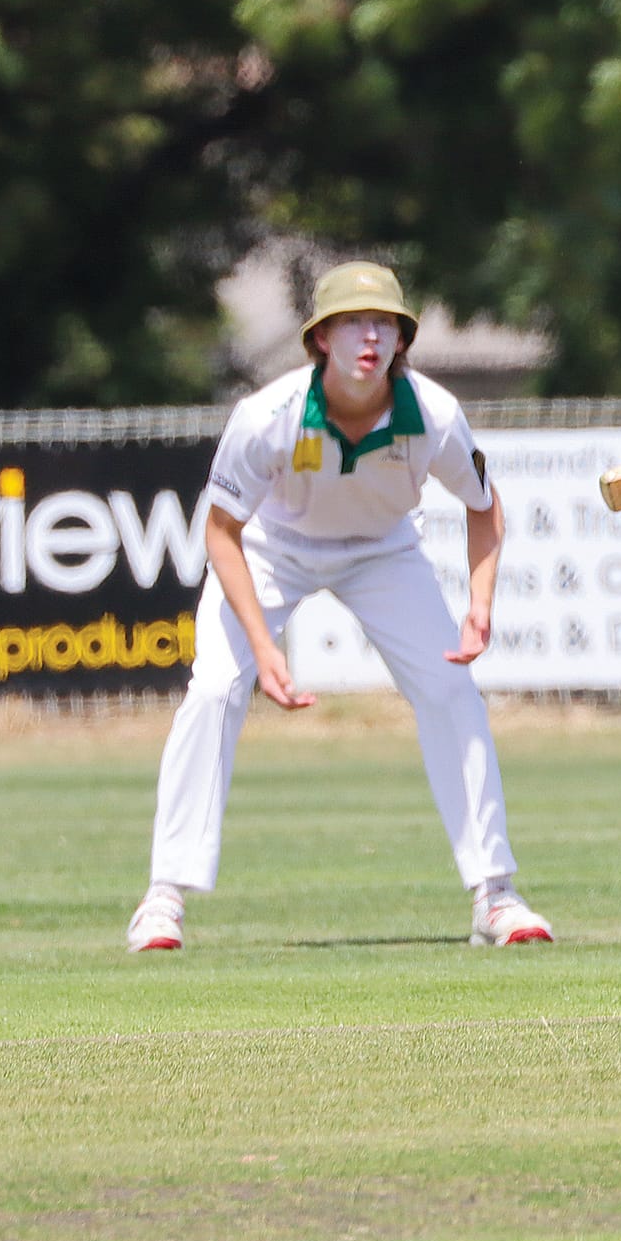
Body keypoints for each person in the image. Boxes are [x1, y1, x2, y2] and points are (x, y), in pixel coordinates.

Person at [125, 261, 554, 951]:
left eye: (384, 323)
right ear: (320, 338)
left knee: (451, 689)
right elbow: (222, 533)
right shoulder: (269, 415)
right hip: (272, 546)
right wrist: (264, 648)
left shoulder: (435, 415)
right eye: (353, 322)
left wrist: (480, 602)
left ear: (401, 339)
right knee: (214, 689)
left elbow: (484, 505)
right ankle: (163, 898)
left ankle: (495, 895)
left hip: (384, 549)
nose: (370, 337)